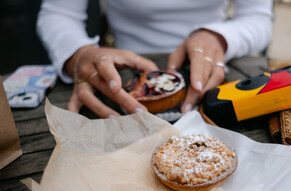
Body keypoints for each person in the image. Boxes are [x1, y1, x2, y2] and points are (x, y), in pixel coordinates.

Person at [37, 0, 273, 118]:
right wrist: (79, 54)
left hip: (215, 71)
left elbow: (258, 18)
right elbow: (58, 13)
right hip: (120, 79)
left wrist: (219, 37)